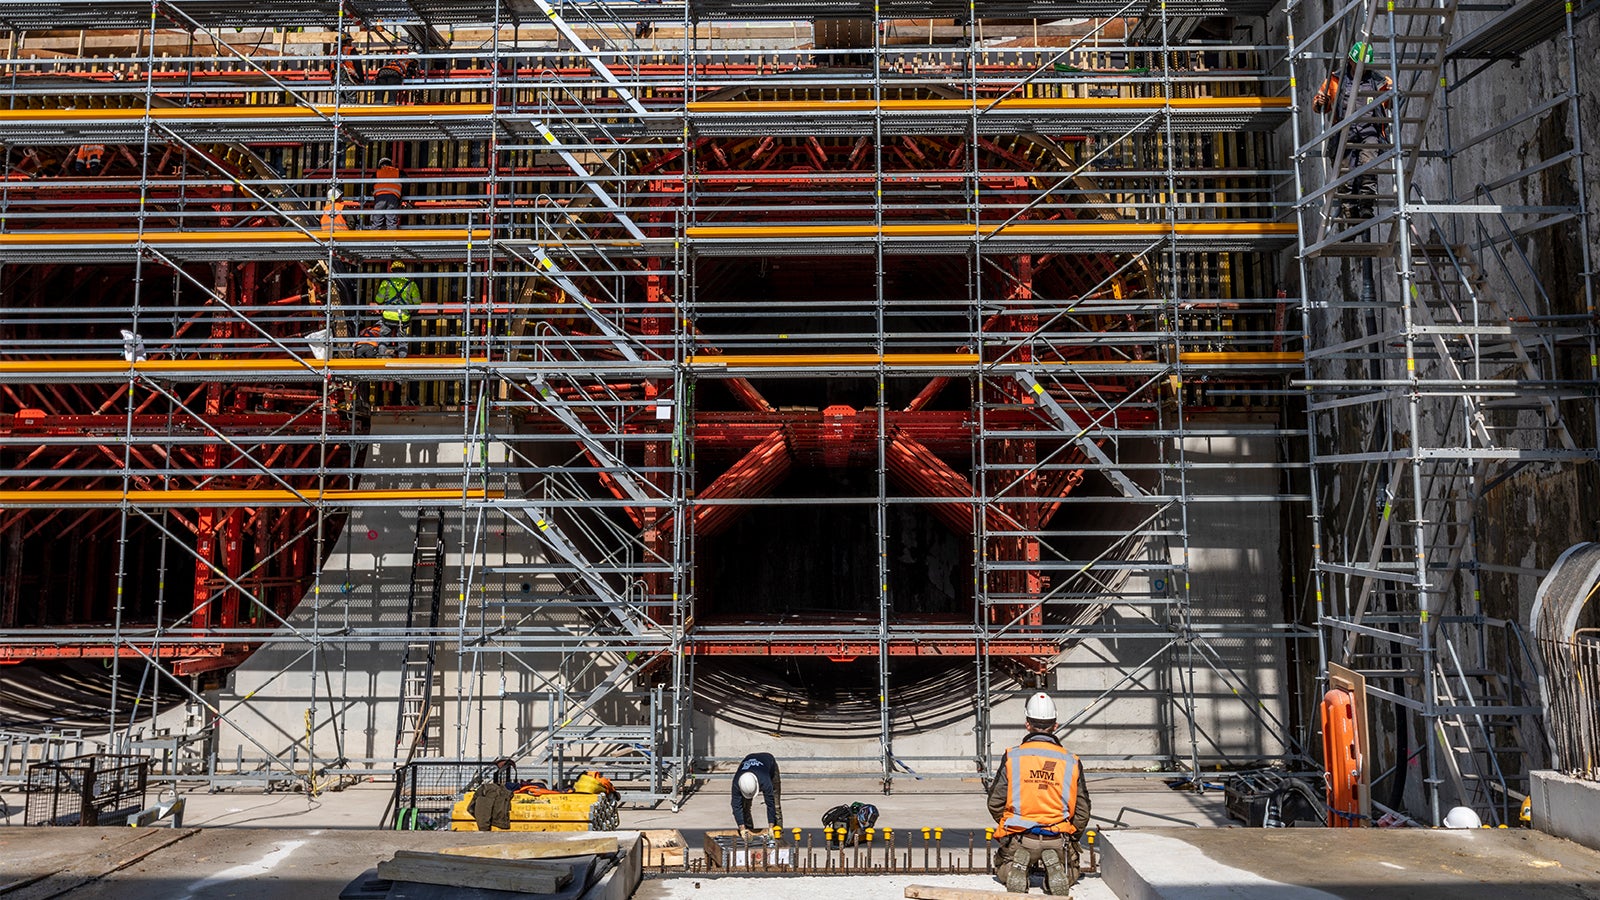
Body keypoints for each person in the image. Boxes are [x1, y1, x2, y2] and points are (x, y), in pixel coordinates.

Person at [987, 692, 1089, 896]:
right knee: (1072, 871)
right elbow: (1082, 810)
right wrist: (1072, 836)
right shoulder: (1071, 760)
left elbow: (995, 802)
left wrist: (1009, 826)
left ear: (1027, 724)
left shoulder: (1013, 756)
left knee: (1001, 866)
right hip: (1057, 836)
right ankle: (1055, 875)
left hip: (1021, 836)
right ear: (1055, 725)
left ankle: (1016, 869)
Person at [1311, 42, 1393, 232]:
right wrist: (1320, 102)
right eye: (1359, 64)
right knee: (1345, 174)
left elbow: (1391, 99)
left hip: (1369, 130)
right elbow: (1319, 104)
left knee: (1368, 165)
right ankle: (1349, 212)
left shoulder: (1379, 80)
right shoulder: (1334, 80)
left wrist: (1393, 94)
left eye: (1365, 65)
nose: (1362, 68)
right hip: (1344, 132)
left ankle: (1366, 206)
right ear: (1350, 60)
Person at [371, 259, 420, 357]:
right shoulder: (411, 284)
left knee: (384, 338)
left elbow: (379, 300)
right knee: (402, 342)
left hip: (388, 316)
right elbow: (417, 302)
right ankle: (401, 363)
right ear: (404, 271)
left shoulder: (386, 283)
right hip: (403, 317)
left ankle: (381, 358)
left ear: (392, 270)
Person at [730, 752, 782, 837]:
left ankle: (778, 834)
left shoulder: (765, 781)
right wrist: (742, 828)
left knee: (776, 807)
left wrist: (771, 826)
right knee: (745, 807)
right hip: (750, 759)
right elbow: (736, 806)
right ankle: (748, 833)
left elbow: (770, 803)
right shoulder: (737, 782)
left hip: (769, 764)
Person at [373, 157, 403, 230]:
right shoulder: (398, 172)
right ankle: (392, 240)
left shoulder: (377, 172)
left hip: (379, 198)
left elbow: (370, 184)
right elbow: (406, 183)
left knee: (377, 220)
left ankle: (374, 239)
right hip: (393, 197)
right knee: (391, 221)